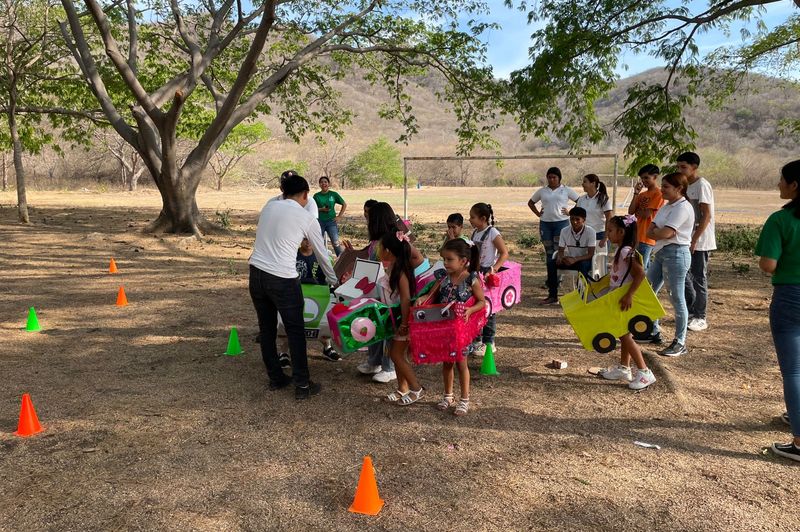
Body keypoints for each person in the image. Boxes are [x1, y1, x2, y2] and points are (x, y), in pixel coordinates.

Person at [249, 173, 338, 399]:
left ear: (283, 191)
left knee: (267, 330)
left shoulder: (268, 207)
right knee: (295, 330)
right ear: (306, 195)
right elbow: (322, 254)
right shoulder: (306, 217)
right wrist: (334, 281)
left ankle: (276, 378)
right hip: (282, 279)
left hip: (256, 274)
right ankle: (303, 385)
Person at [756, 159, 800, 462]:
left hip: (790, 298)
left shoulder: (780, 220)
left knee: (794, 371)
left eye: (782, 179)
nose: (779, 184)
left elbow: (768, 265)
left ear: (794, 185)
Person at [356, 202, 426, 383]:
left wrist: (403, 272)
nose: (367, 220)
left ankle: (389, 367)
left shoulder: (395, 240)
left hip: (390, 293)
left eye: (369, 216)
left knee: (388, 328)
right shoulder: (378, 241)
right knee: (375, 325)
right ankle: (374, 361)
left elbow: (418, 258)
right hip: (377, 290)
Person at [422, 238, 487, 416]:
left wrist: (470, 310)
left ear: (463, 261)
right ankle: (448, 395)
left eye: (449, 259)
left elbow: (482, 302)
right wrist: (423, 300)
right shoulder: (442, 277)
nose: (445, 263)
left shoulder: (471, 279)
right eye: (444, 259)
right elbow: (431, 294)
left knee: (461, 363)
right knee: (447, 362)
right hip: (444, 328)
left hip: (461, 331)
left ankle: (464, 399)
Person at [599, 215, 657, 390]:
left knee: (624, 335)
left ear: (621, 232)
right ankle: (624, 367)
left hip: (623, 298)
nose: (607, 234)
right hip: (618, 296)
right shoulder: (622, 250)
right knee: (623, 332)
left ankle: (645, 372)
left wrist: (629, 295)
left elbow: (640, 274)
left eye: (610, 231)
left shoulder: (625, 251)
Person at [643, 172, 695, 357]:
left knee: (676, 297)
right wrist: (662, 233)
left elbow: (665, 233)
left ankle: (680, 342)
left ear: (679, 188)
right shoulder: (666, 206)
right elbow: (651, 230)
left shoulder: (683, 208)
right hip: (662, 253)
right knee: (648, 289)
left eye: (666, 187)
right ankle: (653, 330)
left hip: (677, 254)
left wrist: (663, 233)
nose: (662, 189)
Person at [379, 231, 425, 405]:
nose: (379, 250)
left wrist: (405, 324)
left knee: (396, 354)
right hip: (394, 320)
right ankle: (402, 388)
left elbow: (405, 298)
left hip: (403, 321)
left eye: (381, 247)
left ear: (389, 250)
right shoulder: (392, 267)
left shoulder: (401, 272)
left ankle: (416, 388)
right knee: (396, 353)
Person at [528, 167, 580, 305]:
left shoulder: (566, 190)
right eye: (549, 177)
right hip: (545, 225)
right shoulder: (542, 191)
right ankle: (552, 291)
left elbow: (580, 201)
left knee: (559, 254)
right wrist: (538, 213)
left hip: (561, 224)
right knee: (549, 255)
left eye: (554, 177)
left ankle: (558, 280)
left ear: (559, 178)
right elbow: (531, 202)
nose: (551, 179)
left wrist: (571, 213)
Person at [677, 152, 716, 332]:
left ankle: (700, 316)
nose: (680, 170)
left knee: (699, 277)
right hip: (687, 238)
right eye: (678, 167)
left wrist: (694, 239)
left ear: (694, 167)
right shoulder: (686, 186)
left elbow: (706, 215)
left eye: (684, 167)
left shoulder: (702, 185)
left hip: (700, 240)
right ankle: (691, 311)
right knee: (686, 276)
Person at [469, 202, 509, 356]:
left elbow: (504, 252)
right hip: (475, 272)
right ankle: (476, 339)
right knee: (476, 305)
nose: (470, 220)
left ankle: (489, 341)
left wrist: (494, 269)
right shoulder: (475, 233)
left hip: (486, 274)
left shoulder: (493, 233)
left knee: (488, 308)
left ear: (483, 218)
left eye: (473, 217)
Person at [628, 164, 664, 270]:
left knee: (640, 268)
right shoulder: (642, 195)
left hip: (648, 237)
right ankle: (648, 286)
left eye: (646, 177)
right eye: (642, 178)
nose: (643, 180)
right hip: (638, 235)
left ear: (655, 177)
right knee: (643, 266)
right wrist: (636, 193)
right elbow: (631, 211)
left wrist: (639, 211)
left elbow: (646, 214)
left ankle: (643, 286)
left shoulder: (658, 194)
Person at [555, 207, 596, 282]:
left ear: (584, 219)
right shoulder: (564, 231)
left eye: (577, 219)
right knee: (551, 263)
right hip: (571, 260)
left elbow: (590, 254)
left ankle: (581, 290)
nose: (574, 222)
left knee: (583, 265)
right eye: (572, 219)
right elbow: (561, 250)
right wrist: (560, 257)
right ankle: (553, 288)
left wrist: (575, 259)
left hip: (585, 261)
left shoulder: (591, 232)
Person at [574, 174, 612, 248]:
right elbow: (576, 216)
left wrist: (605, 237)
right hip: (584, 234)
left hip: (599, 234)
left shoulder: (603, 199)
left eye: (585, 182)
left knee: (599, 259)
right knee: (585, 258)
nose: (582, 184)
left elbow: (609, 218)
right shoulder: (581, 199)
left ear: (593, 183)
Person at [313, 176, 346, 256]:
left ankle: (340, 260)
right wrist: (321, 209)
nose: (323, 184)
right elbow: (313, 209)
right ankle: (321, 262)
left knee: (335, 242)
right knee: (320, 243)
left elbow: (344, 204)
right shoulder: (316, 196)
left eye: (325, 182)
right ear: (319, 184)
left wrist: (339, 216)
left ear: (328, 184)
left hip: (331, 221)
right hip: (320, 221)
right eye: (321, 182)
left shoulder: (333, 194)